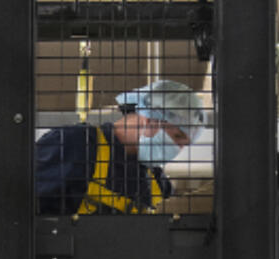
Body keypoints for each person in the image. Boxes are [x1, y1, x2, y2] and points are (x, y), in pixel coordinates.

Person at [34, 77, 208, 217]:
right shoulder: (74, 145)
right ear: (150, 119)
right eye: (177, 137)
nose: (179, 149)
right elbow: (18, 208)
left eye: (185, 145)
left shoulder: (157, 182)